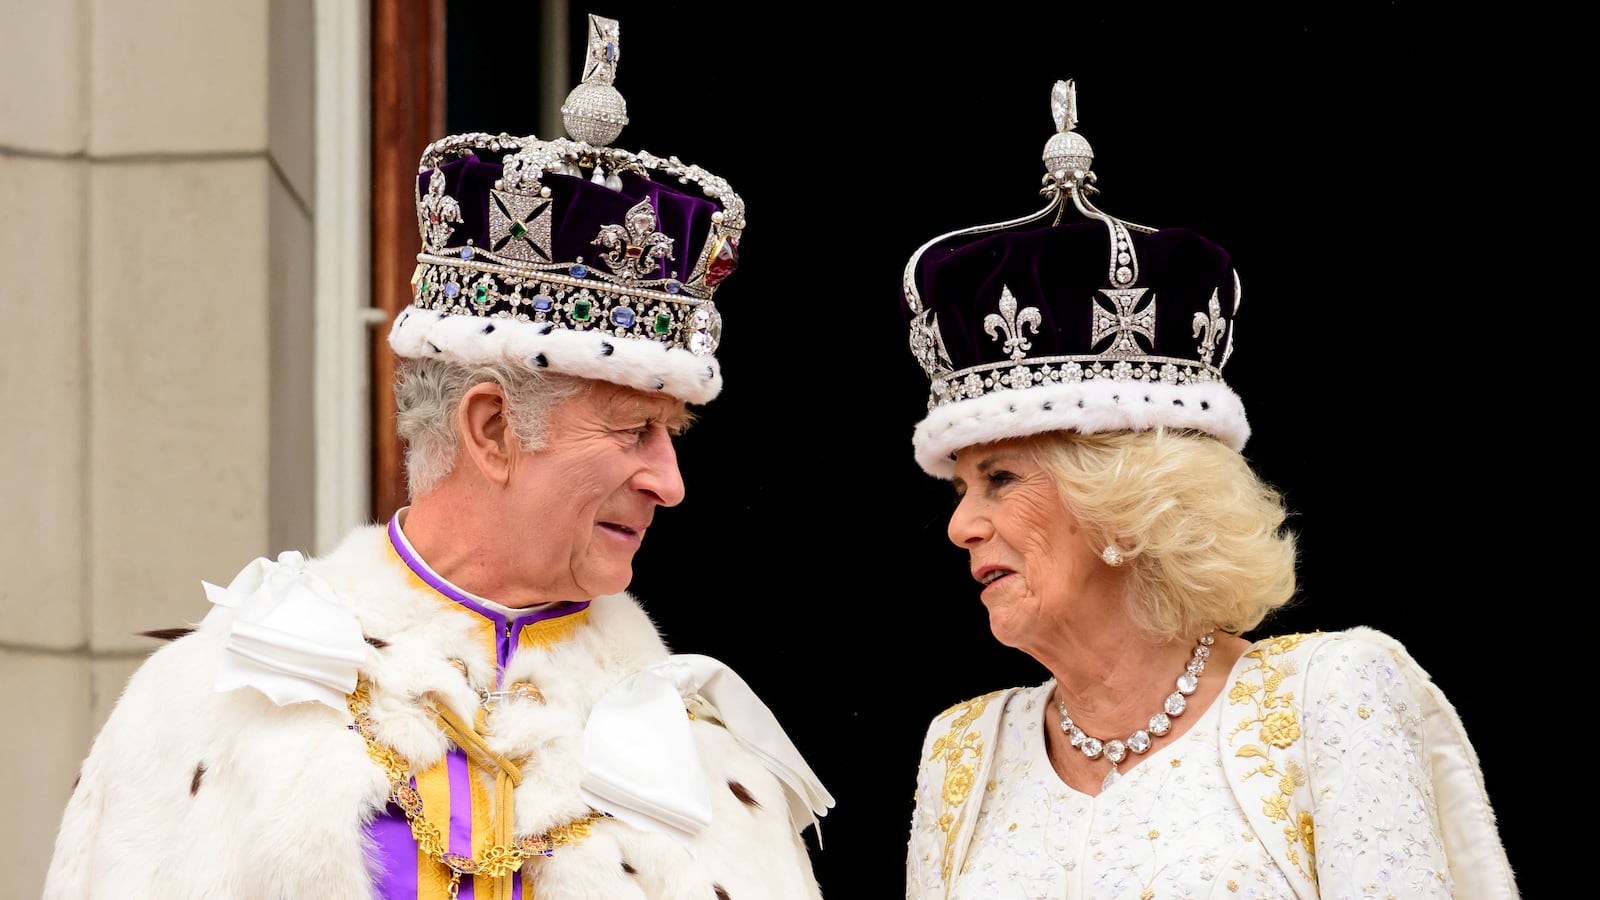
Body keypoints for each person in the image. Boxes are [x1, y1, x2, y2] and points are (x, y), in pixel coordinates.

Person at [43, 14, 832, 899]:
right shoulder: (212, 703)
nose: (669, 481)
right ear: (491, 429)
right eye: (631, 431)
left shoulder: (709, 764)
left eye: (670, 436)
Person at [897, 80, 1517, 900]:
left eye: (1000, 479)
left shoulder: (1329, 697)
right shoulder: (962, 751)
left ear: (1126, 503)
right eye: (960, 488)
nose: (962, 527)